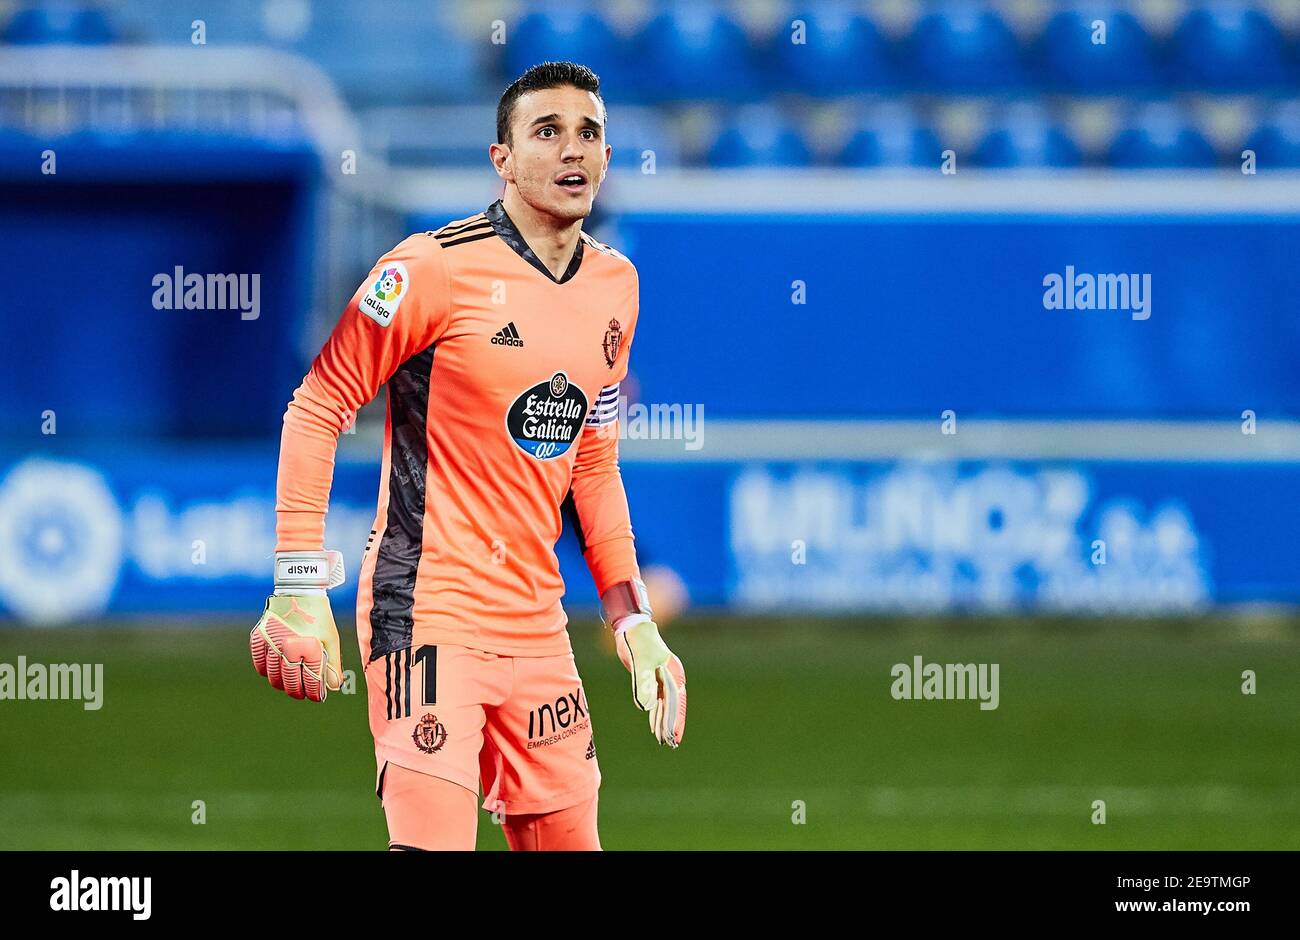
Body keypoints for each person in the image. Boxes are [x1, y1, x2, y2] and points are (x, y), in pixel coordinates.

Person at [249, 61, 686, 851]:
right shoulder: (428, 268)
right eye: (546, 132)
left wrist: (633, 620)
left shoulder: (618, 287)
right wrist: (297, 579)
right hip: (426, 612)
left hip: (538, 624)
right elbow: (317, 405)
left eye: (588, 132)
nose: (571, 150)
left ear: (609, 158)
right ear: (503, 160)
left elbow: (593, 460)